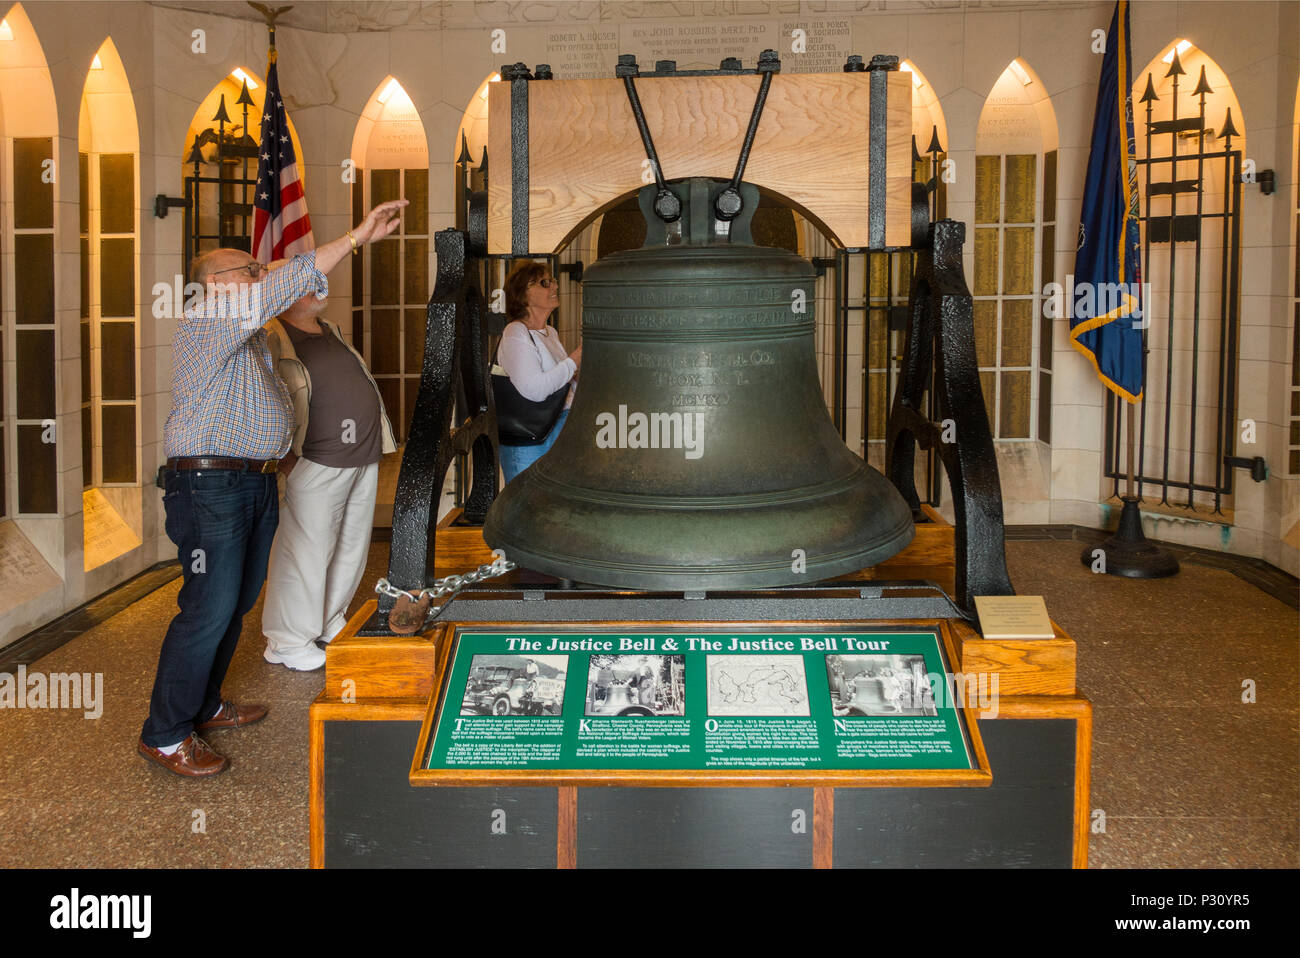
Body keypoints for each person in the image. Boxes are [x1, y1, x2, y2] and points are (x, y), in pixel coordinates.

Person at [138, 199, 409, 778]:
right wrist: (357, 236)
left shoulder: (251, 337)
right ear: (215, 284)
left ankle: (205, 704)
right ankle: (164, 734)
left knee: (233, 605)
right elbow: (290, 283)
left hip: (249, 481)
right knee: (206, 609)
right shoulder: (211, 318)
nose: (263, 278)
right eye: (251, 271)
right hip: (209, 486)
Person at [260, 293, 397, 671]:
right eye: (309, 284)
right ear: (284, 291)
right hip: (316, 461)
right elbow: (265, 400)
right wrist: (288, 461)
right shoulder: (271, 334)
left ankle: (328, 620)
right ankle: (286, 641)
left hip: (360, 455)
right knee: (304, 554)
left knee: (350, 547)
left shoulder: (330, 330)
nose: (320, 289)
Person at [496, 261, 582, 482]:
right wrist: (574, 359)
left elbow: (562, 382)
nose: (554, 286)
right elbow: (534, 389)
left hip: (561, 428)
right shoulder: (516, 332)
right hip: (532, 440)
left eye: (552, 281)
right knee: (527, 508)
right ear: (524, 294)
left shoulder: (549, 332)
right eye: (545, 283)